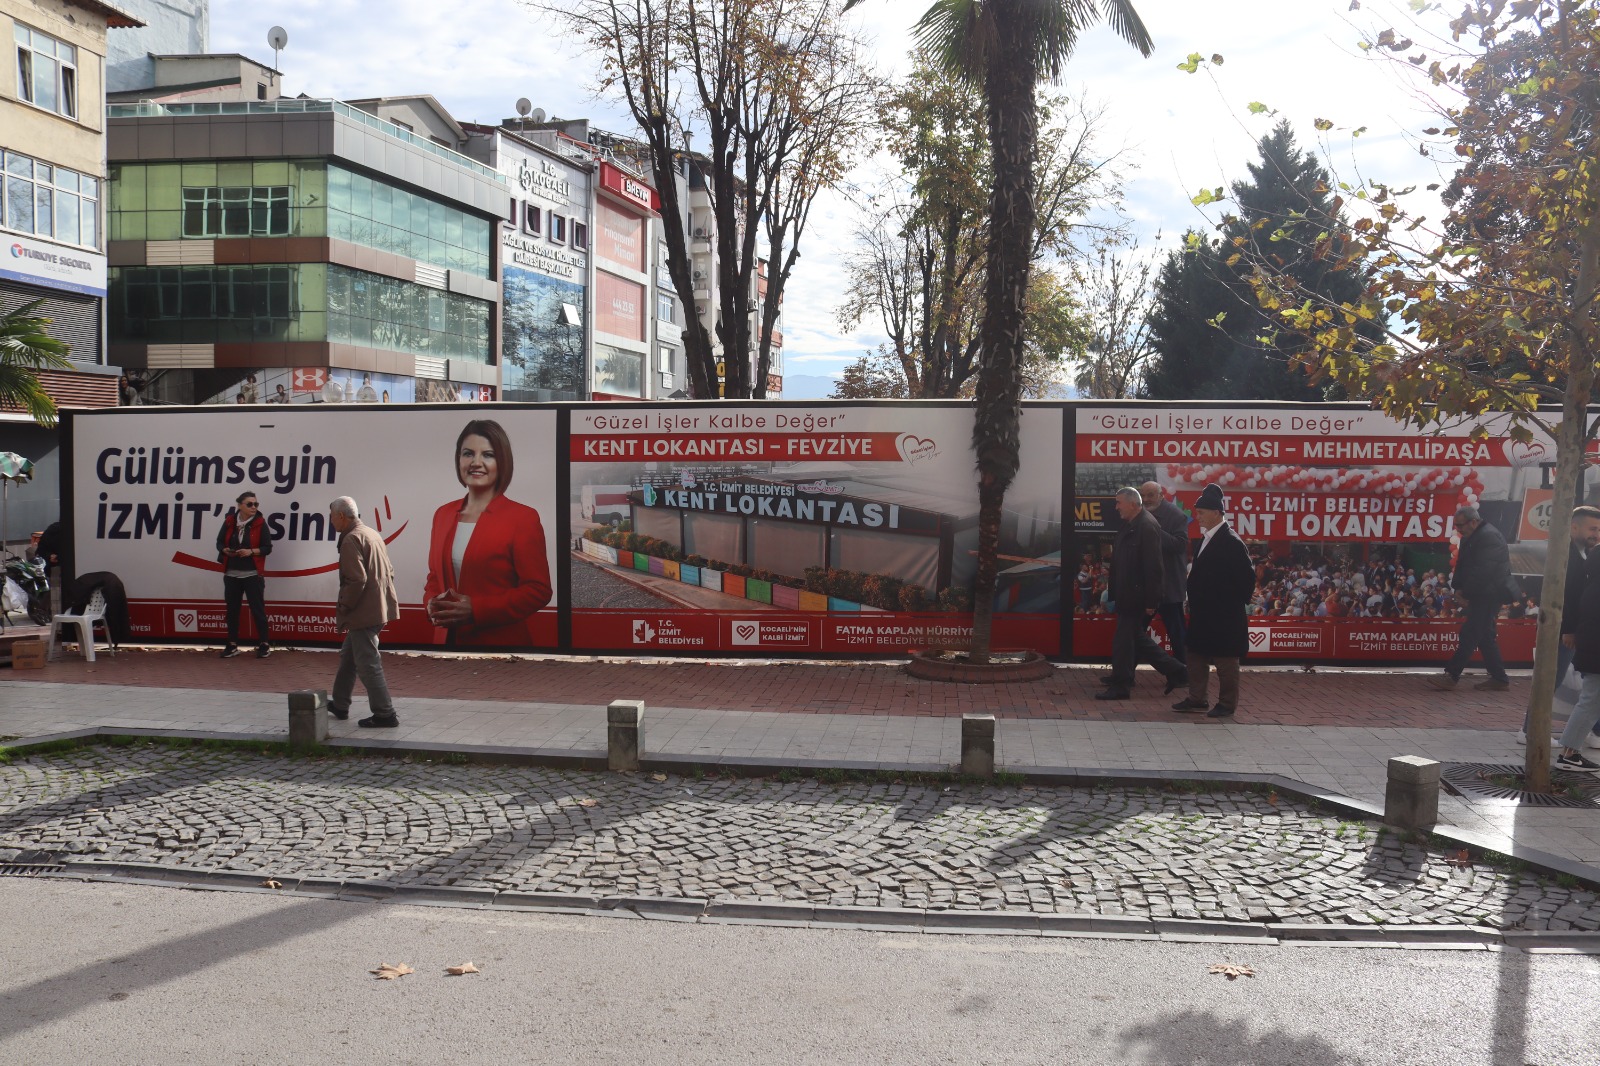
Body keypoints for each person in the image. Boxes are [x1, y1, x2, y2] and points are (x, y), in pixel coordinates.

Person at [423, 419, 552, 645]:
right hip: (445, 645)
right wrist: (431, 603)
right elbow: (435, 576)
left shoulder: (522, 518)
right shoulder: (442, 515)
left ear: (502, 462)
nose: (476, 462)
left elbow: (538, 590)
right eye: (468, 454)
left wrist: (477, 610)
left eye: (488, 455)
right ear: (459, 460)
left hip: (499, 649)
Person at [1170, 484, 1256, 719]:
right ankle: (1197, 699)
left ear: (1217, 512)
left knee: (1226, 660)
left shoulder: (1231, 541)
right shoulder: (1207, 538)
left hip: (1224, 614)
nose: (1197, 516)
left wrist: (1228, 602)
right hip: (1203, 613)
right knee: (1195, 654)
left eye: (1201, 512)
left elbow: (1247, 579)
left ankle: (1227, 704)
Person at [1097, 487, 1187, 701]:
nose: (1116, 506)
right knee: (1132, 638)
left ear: (1132, 504)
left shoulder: (1146, 525)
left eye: (1119, 502)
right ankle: (1175, 671)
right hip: (1129, 592)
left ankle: (1124, 683)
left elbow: (1154, 567)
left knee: (1125, 639)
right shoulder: (1133, 523)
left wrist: (1151, 600)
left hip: (1136, 594)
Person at [328, 496, 400, 728]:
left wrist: (344, 606)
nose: (331, 522)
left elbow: (356, 580)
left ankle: (385, 713)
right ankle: (340, 704)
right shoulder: (371, 533)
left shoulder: (350, 540)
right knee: (349, 656)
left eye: (331, 517)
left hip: (363, 611)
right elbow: (390, 570)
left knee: (367, 662)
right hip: (378, 606)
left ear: (341, 516)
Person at [1428, 505, 1514, 692]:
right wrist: (1458, 588)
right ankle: (1499, 677)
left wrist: (1465, 592)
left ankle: (1451, 675)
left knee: (1471, 632)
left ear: (1473, 521)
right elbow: (1462, 564)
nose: (1458, 529)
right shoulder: (1472, 536)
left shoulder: (1489, 537)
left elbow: (1483, 571)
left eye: (1460, 525)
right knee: (1484, 636)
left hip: (1489, 594)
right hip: (1481, 592)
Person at [215, 491, 272, 659]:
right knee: (232, 610)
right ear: (239, 505)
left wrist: (250, 552)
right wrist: (224, 549)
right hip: (232, 573)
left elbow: (267, 547)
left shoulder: (260, 523)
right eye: (249, 504)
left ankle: (264, 644)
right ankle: (232, 644)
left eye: (256, 504)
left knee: (257, 609)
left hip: (252, 574)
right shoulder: (229, 522)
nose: (254, 507)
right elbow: (219, 542)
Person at [1140, 481, 1191, 661]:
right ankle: (1124, 674)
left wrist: (1154, 529)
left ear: (1161, 495)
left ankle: (1183, 672)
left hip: (1168, 587)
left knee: (1176, 633)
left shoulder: (1176, 515)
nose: (1145, 499)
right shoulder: (1138, 514)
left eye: (1150, 495)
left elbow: (1180, 545)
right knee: (1133, 632)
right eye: (1143, 495)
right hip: (1145, 586)